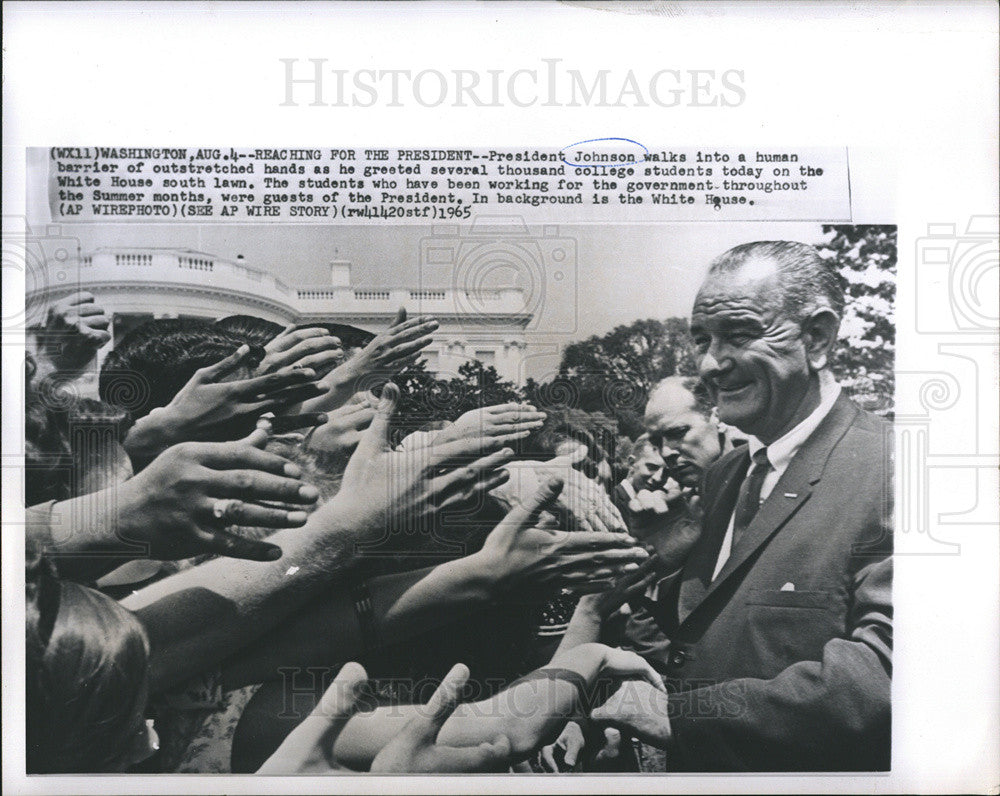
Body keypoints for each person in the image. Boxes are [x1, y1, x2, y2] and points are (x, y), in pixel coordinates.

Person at [583, 240, 893, 771]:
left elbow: (889, 675)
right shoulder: (728, 475)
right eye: (702, 340)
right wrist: (656, 563)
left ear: (816, 337)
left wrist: (681, 717)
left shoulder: (894, 467)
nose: (709, 364)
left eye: (740, 334)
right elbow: (704, 639)